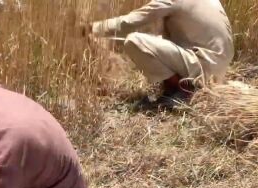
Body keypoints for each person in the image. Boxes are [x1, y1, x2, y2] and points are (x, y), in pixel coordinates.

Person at [86, 0, 234, 110]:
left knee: (134, 41)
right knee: (154, 41)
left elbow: (130, 21)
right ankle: (186, 85)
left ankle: (183, 90)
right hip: (217, 67)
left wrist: (91, 28)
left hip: (203, 65)